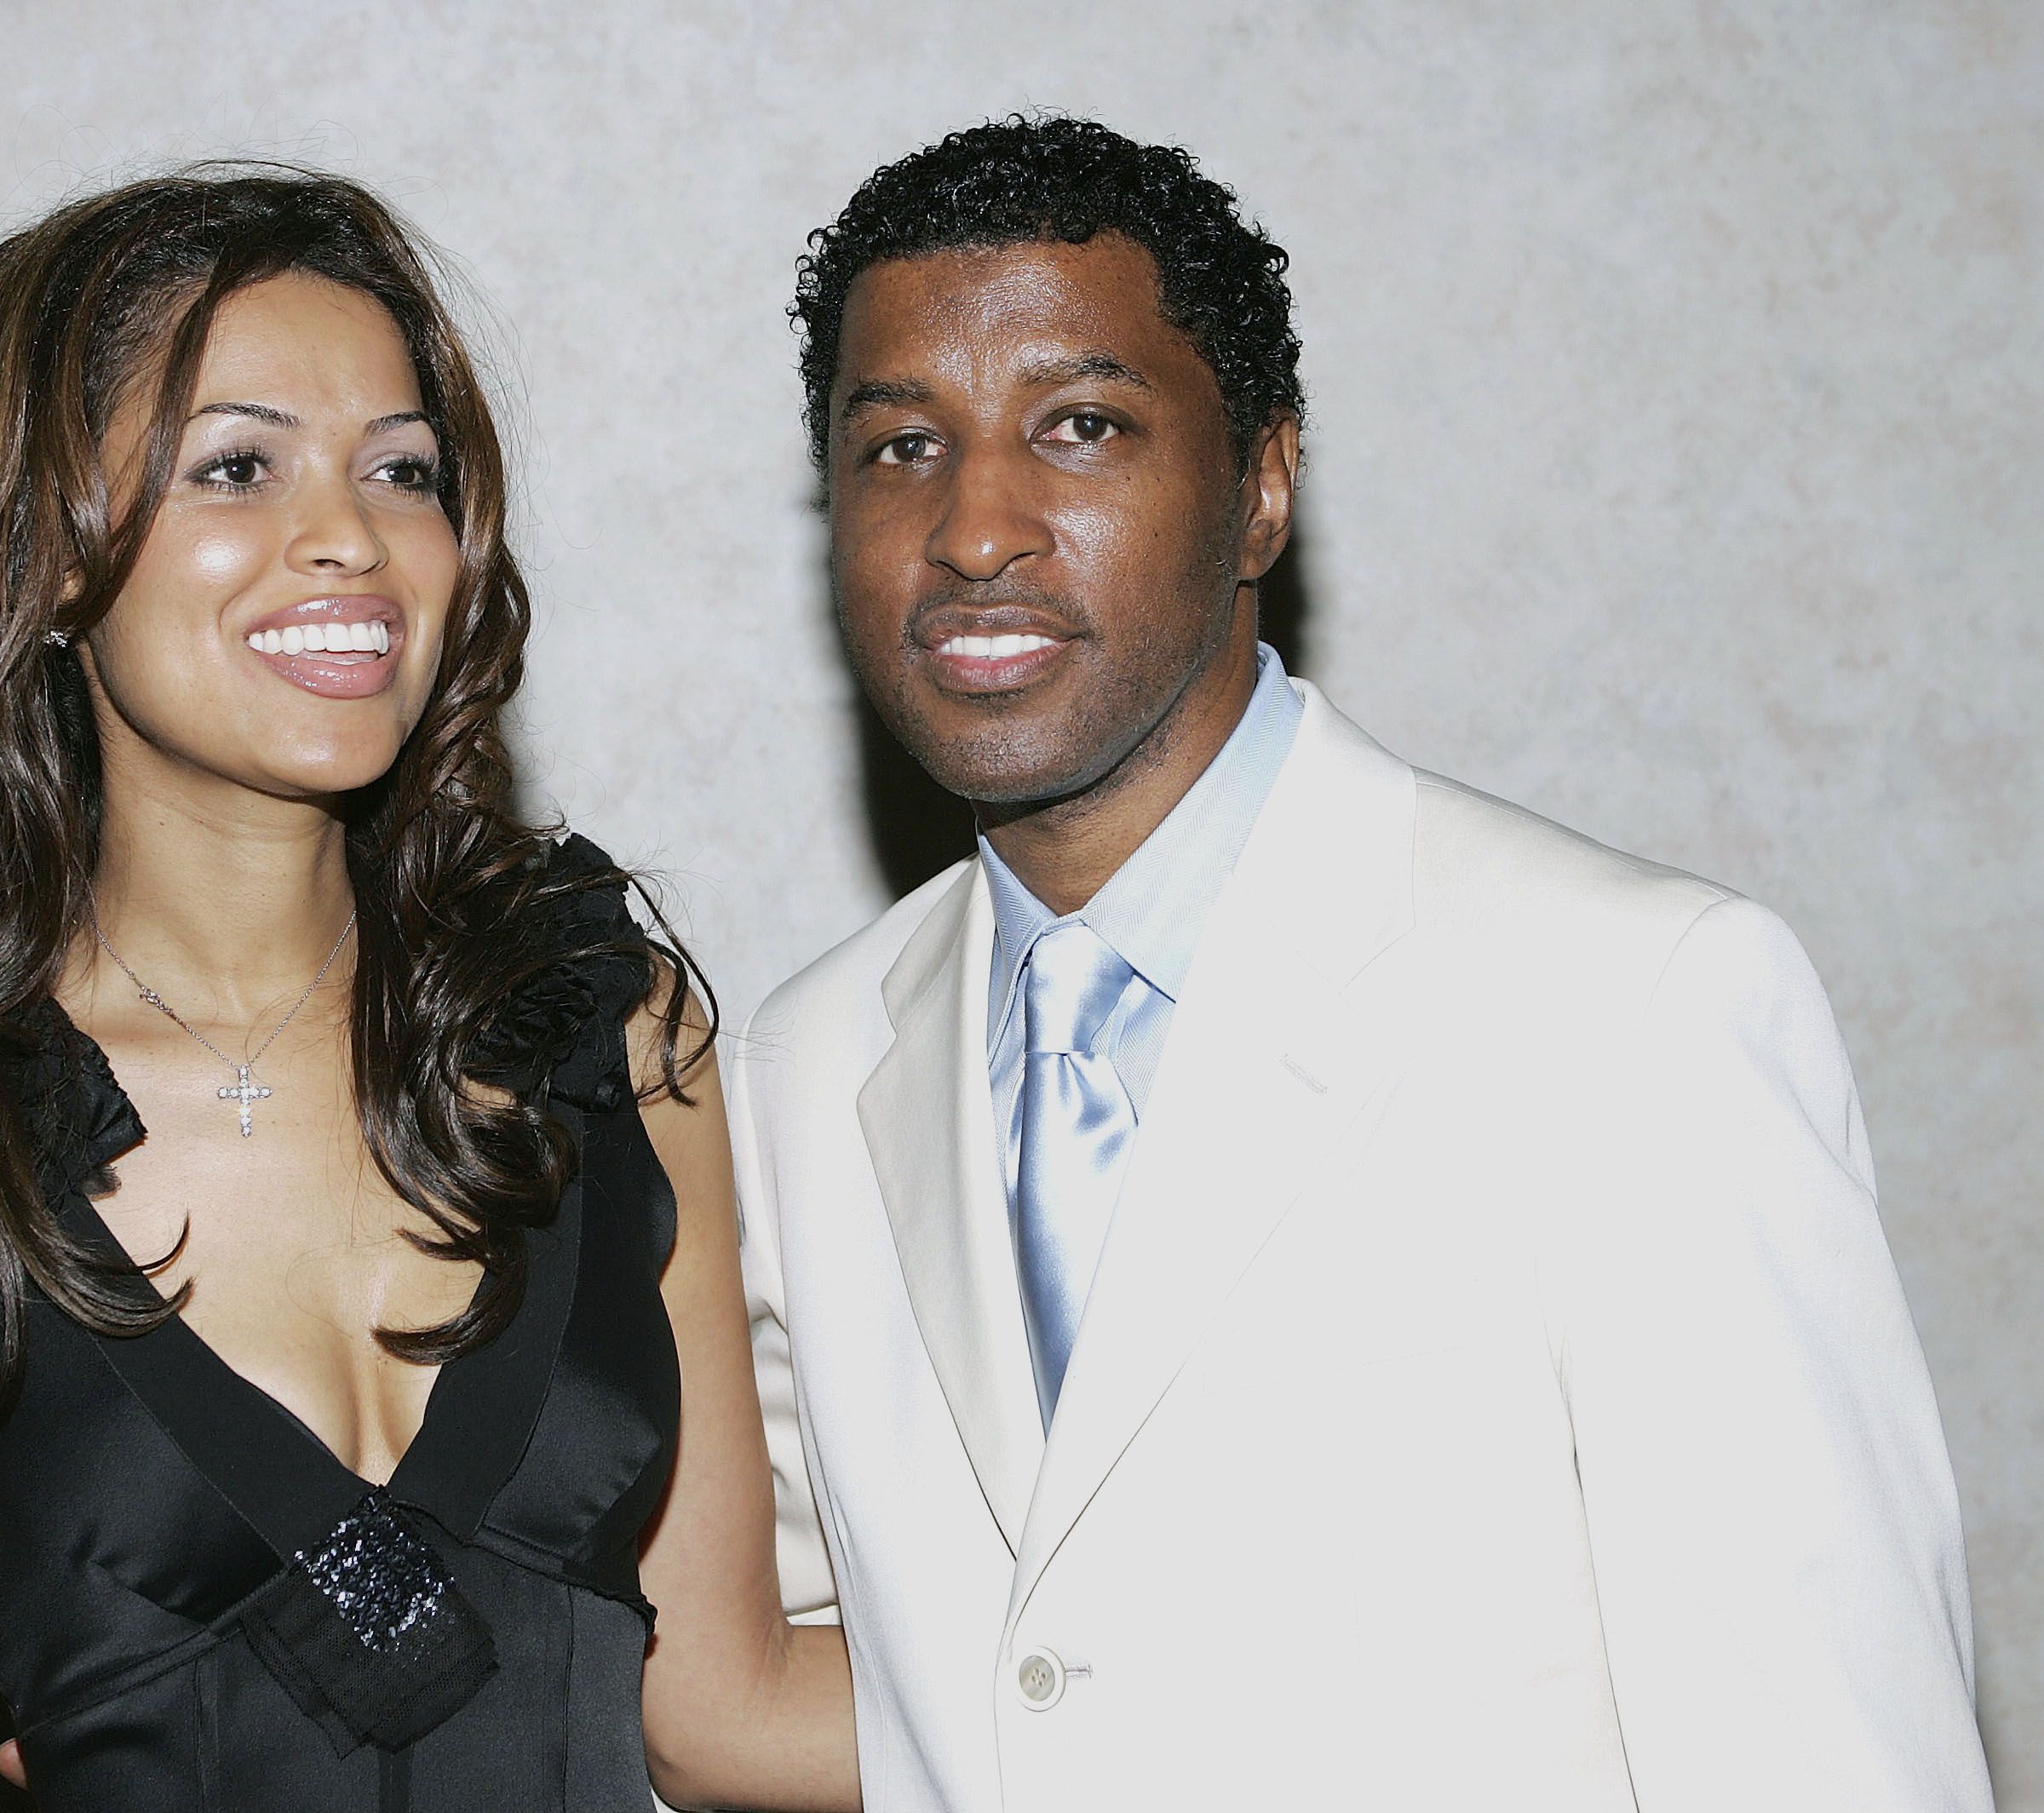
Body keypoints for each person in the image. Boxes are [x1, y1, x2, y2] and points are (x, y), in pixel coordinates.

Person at [728, 115, 1992, 1812]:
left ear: (1261, 483)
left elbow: (1831, 1761)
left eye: (1080, 427)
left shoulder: (1635, 1011)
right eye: (899, 448)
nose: (974, 529)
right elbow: (896, 1686)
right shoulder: (806, 1066)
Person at [0, 167, 856, 1813]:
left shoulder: (613, 1034)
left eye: (400, 470)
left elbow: (724, 1707)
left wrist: (1269, 1667)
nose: (348, 534)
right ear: (53, 554)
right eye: (237, 464)